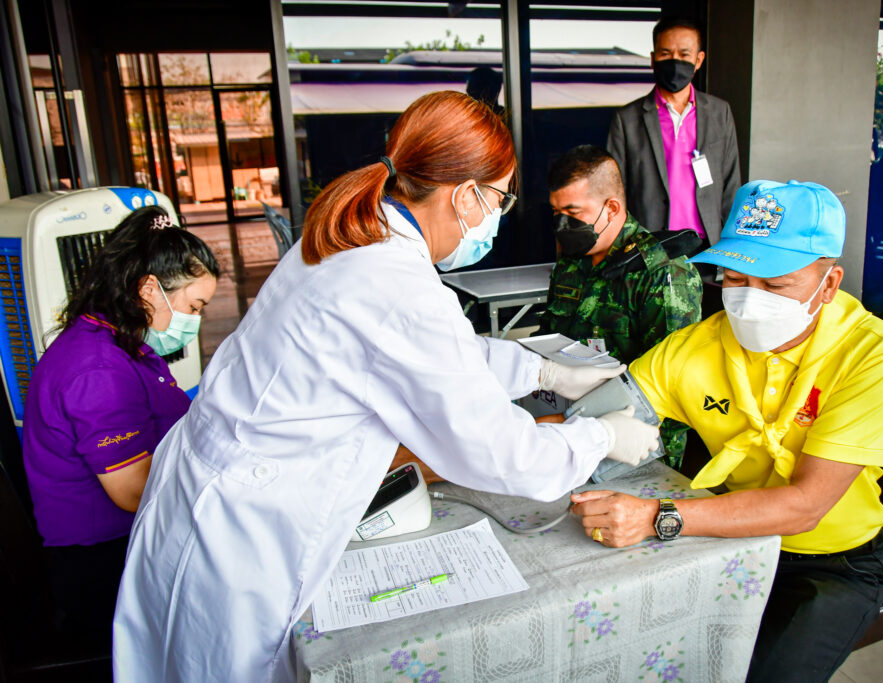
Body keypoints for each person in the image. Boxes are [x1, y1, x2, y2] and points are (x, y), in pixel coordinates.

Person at [112, 91, 659, 682]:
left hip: (201, 491)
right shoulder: (394, 282)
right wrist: (600, 437)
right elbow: (505, 454)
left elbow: (433, 355)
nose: (499, 218)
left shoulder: (351, 234)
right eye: (500, 199)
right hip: (244, 526)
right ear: (464, 196)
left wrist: (540, 370)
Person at [571, 180, 883, 682]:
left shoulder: (874, 353)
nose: (751, 302)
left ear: (829, 284)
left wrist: (655, 518)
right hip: (730, 539)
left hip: (831, 562)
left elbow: (805, 507)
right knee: (635, 645)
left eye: (776, 285)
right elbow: (592, 421)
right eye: (735, 278)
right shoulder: (695, 347)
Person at [20, 206, 219, 648]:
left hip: (131, 537)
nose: (196, 320)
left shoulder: (121, 343)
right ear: (149, 289)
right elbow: (132, 491)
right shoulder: (97, 370)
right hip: (103, 561)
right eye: (193, 307)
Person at [537, 144, 703, 468]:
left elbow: (672, 385)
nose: (562, 226)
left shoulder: (663, 273)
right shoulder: (572, 262)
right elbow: (549, 340)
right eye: (557, 213)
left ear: (611, 208)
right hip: (569, 428)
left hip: (637, 447)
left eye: (573, 213)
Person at [607, 15, 741, 277]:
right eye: (666, 53)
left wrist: (731, 247)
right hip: (648, 248)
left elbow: (730, 184)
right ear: (653, 58)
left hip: (705, 247)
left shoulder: (719, 113)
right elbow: (614, 192)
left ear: (698, 60)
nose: (675, 61)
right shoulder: (627, 119)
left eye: (684, 54)